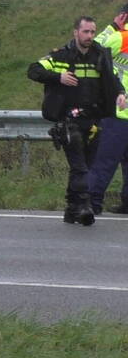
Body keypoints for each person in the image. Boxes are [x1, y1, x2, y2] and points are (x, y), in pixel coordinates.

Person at [28, 16, 126, 226]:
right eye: (86, 32)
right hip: (70, 122)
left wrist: (119, 94)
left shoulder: (99, 56)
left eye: (92, 32)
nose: (90, 36)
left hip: (94, 121)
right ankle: (84, 207)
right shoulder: (61, 56)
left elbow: (112, 78)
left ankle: (71, 210)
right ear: (76, 32)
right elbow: (34, 70)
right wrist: (58, 77)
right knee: (80, 167)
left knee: (85, 168)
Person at [86, 5, 128, 214]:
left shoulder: (123, 37)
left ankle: (91, 203)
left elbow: (91, 49)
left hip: (119, 112)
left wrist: (112, 27)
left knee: (105, 160)